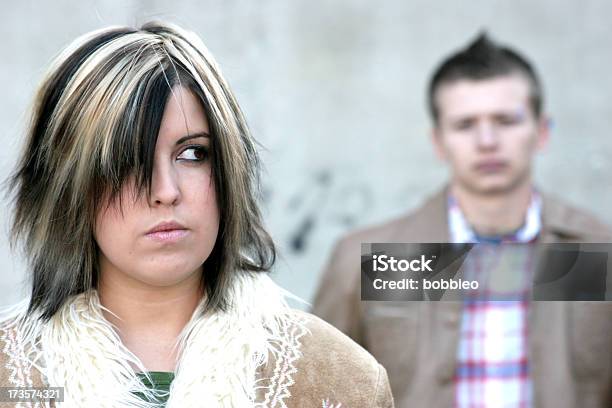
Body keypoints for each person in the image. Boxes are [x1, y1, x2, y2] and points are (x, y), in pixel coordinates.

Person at [0, 22, 393, 407]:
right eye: (125, 160)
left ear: (227, 170)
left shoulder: (341, 381)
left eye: (193, 154)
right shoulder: (8, 376)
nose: (166, 192)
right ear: (67, 185)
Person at [313, 33, 612, 407]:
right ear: (439, 142)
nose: (487, 140)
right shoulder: (374, 256)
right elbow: (320, 388)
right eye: (465, 124)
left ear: (542, 132)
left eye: (506, 120)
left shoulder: (596, 251)